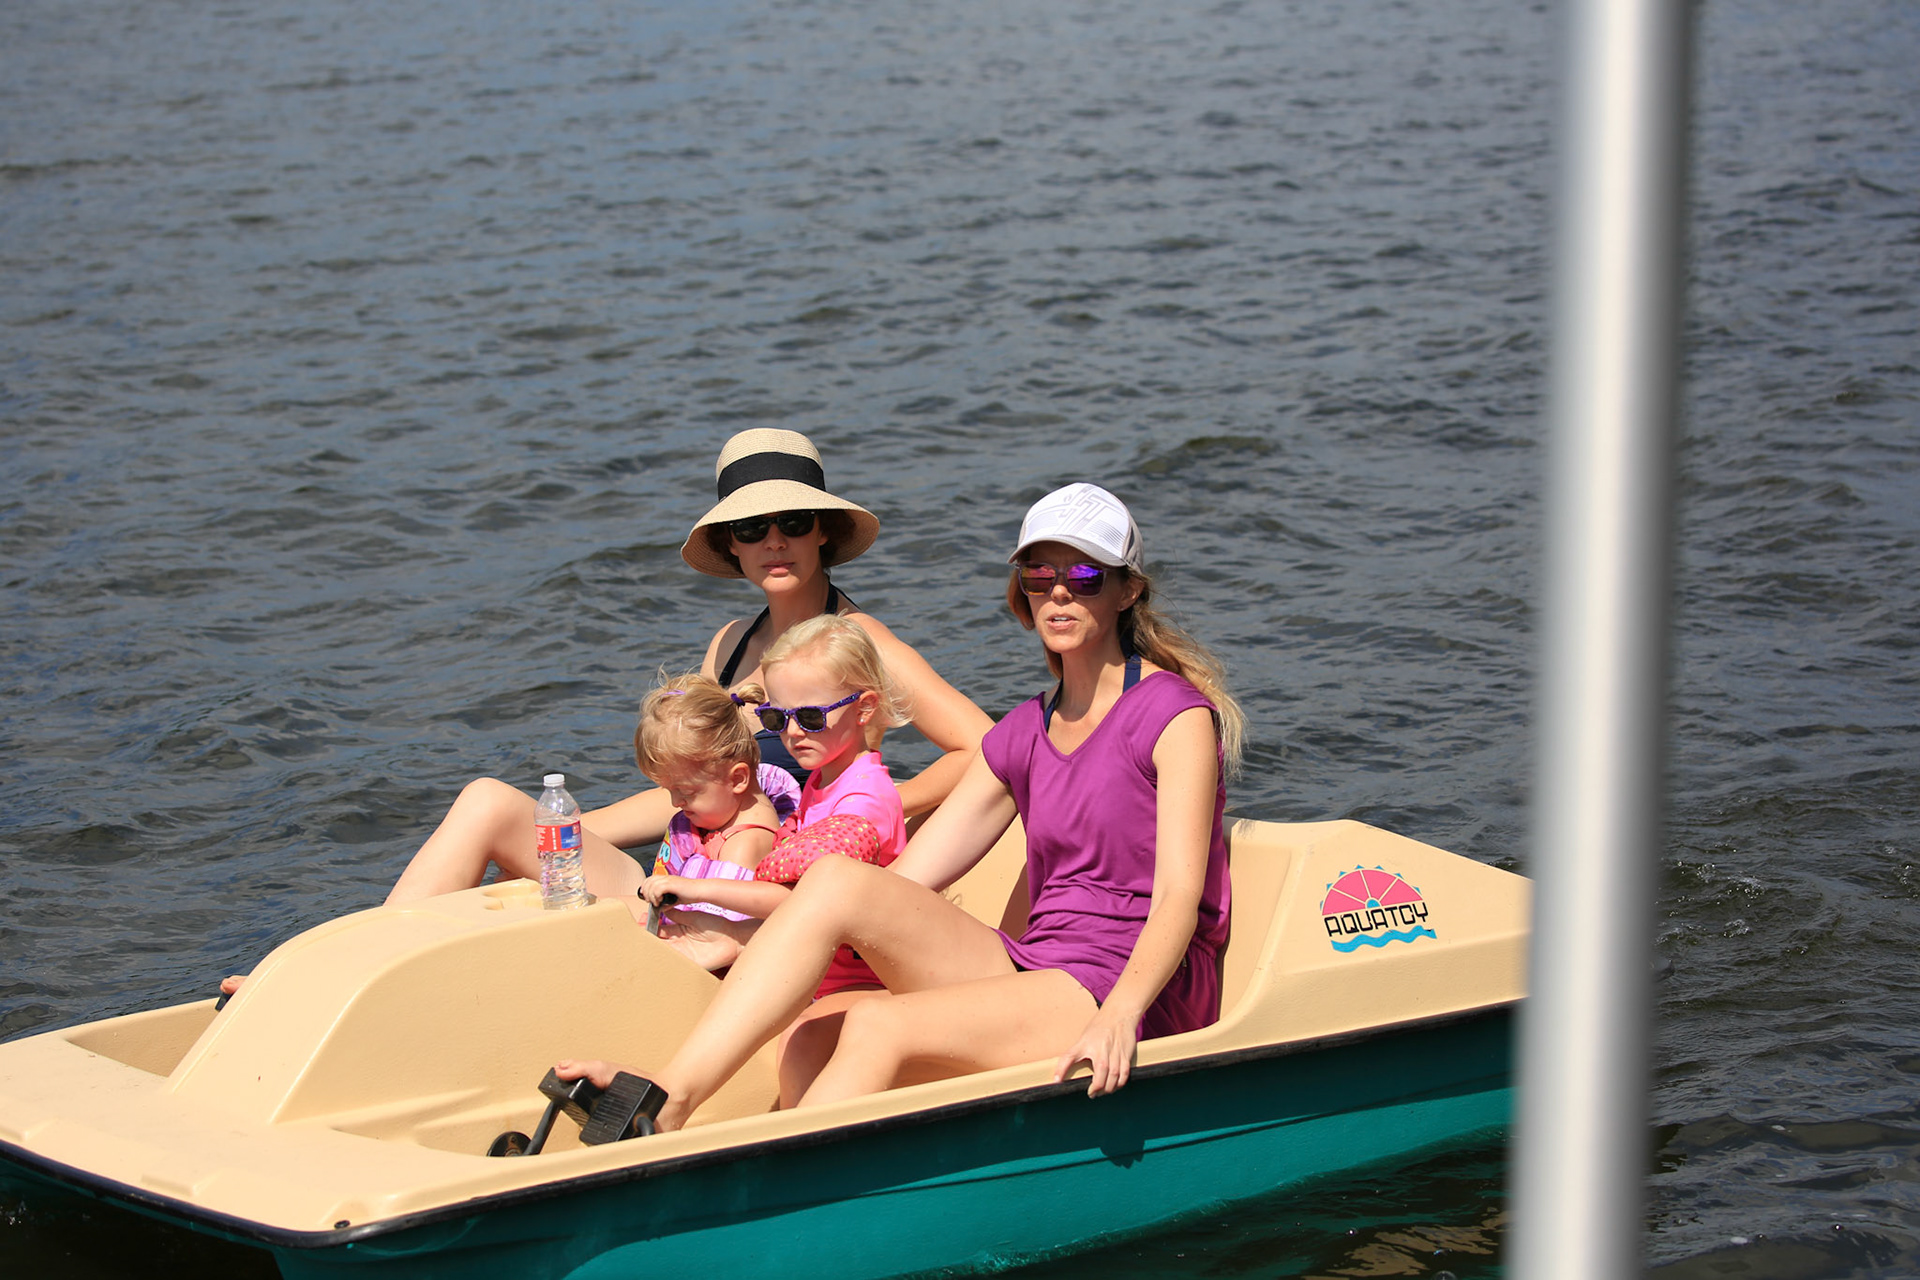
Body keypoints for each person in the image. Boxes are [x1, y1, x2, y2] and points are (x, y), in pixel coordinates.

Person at [557, 482, 1246, 1131]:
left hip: (1134, 988)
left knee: (877, 1024)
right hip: (1038, 965)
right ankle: (667, 1100)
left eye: (1086, 575)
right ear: (1023, 592)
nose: (1060, 591)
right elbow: (898, 886)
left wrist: (1122, 1014)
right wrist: (742, 929)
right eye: (1040, 575)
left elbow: (1180, 897)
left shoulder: (1173, 714)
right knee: (822, 980)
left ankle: (771, 1187)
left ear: (1128, 590)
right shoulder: (1024, 731)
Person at [378, 428, 991, 907]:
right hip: (689, 875)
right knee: (495, 809)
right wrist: (580, 831)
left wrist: (871, 807)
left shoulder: (859, 641)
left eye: (794, 522)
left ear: (822, 533)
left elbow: (985, 749)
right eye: (752, 527)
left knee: (498, 813)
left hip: (759, 901)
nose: (775, 541)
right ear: (731, 543)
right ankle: (368, 964)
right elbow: (692, 786)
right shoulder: (730, 644)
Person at [641, 615, 910, 992]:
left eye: (811, 717)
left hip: (853, 981)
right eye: (777, 717)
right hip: (813, 960)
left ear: (864, 708)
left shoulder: (863, 803)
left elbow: (798, 900)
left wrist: (693, 889)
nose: (793, 732)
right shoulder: (824, 777)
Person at [629, 671, 800, 971]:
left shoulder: (745, 844)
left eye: (686, 792)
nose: (675, 802)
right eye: (669, 790)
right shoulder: (721, 814)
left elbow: (717, 939)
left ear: (738, 779)